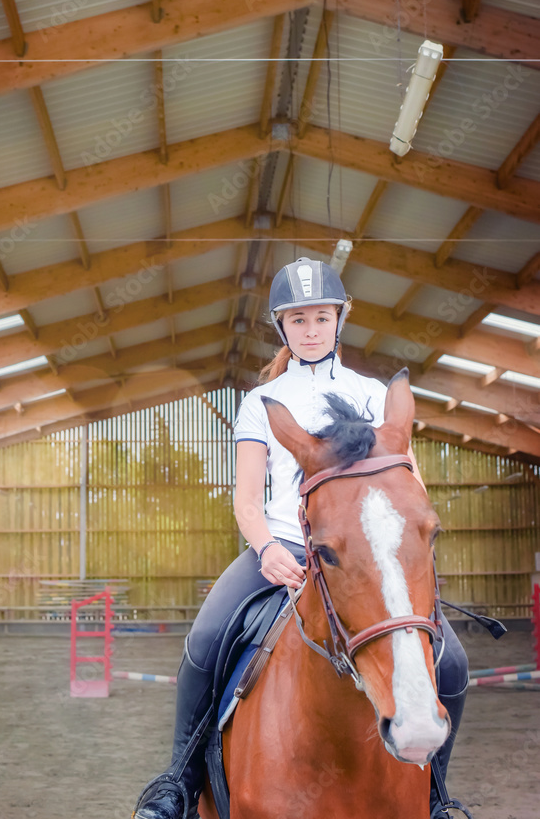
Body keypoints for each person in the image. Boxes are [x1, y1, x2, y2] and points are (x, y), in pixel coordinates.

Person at [133, 258, 468, 819]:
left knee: (452, 660)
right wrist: (266, 549)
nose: (311, 330)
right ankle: (178, 784)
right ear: (281, 327)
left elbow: (408, 486)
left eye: (321, 317)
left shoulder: (371, 395)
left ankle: (435, 795)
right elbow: (246, 500)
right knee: (205, 641)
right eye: (298, 320)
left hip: (363, 560)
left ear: (341, 319)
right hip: (284, 549)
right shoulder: (262, 402)